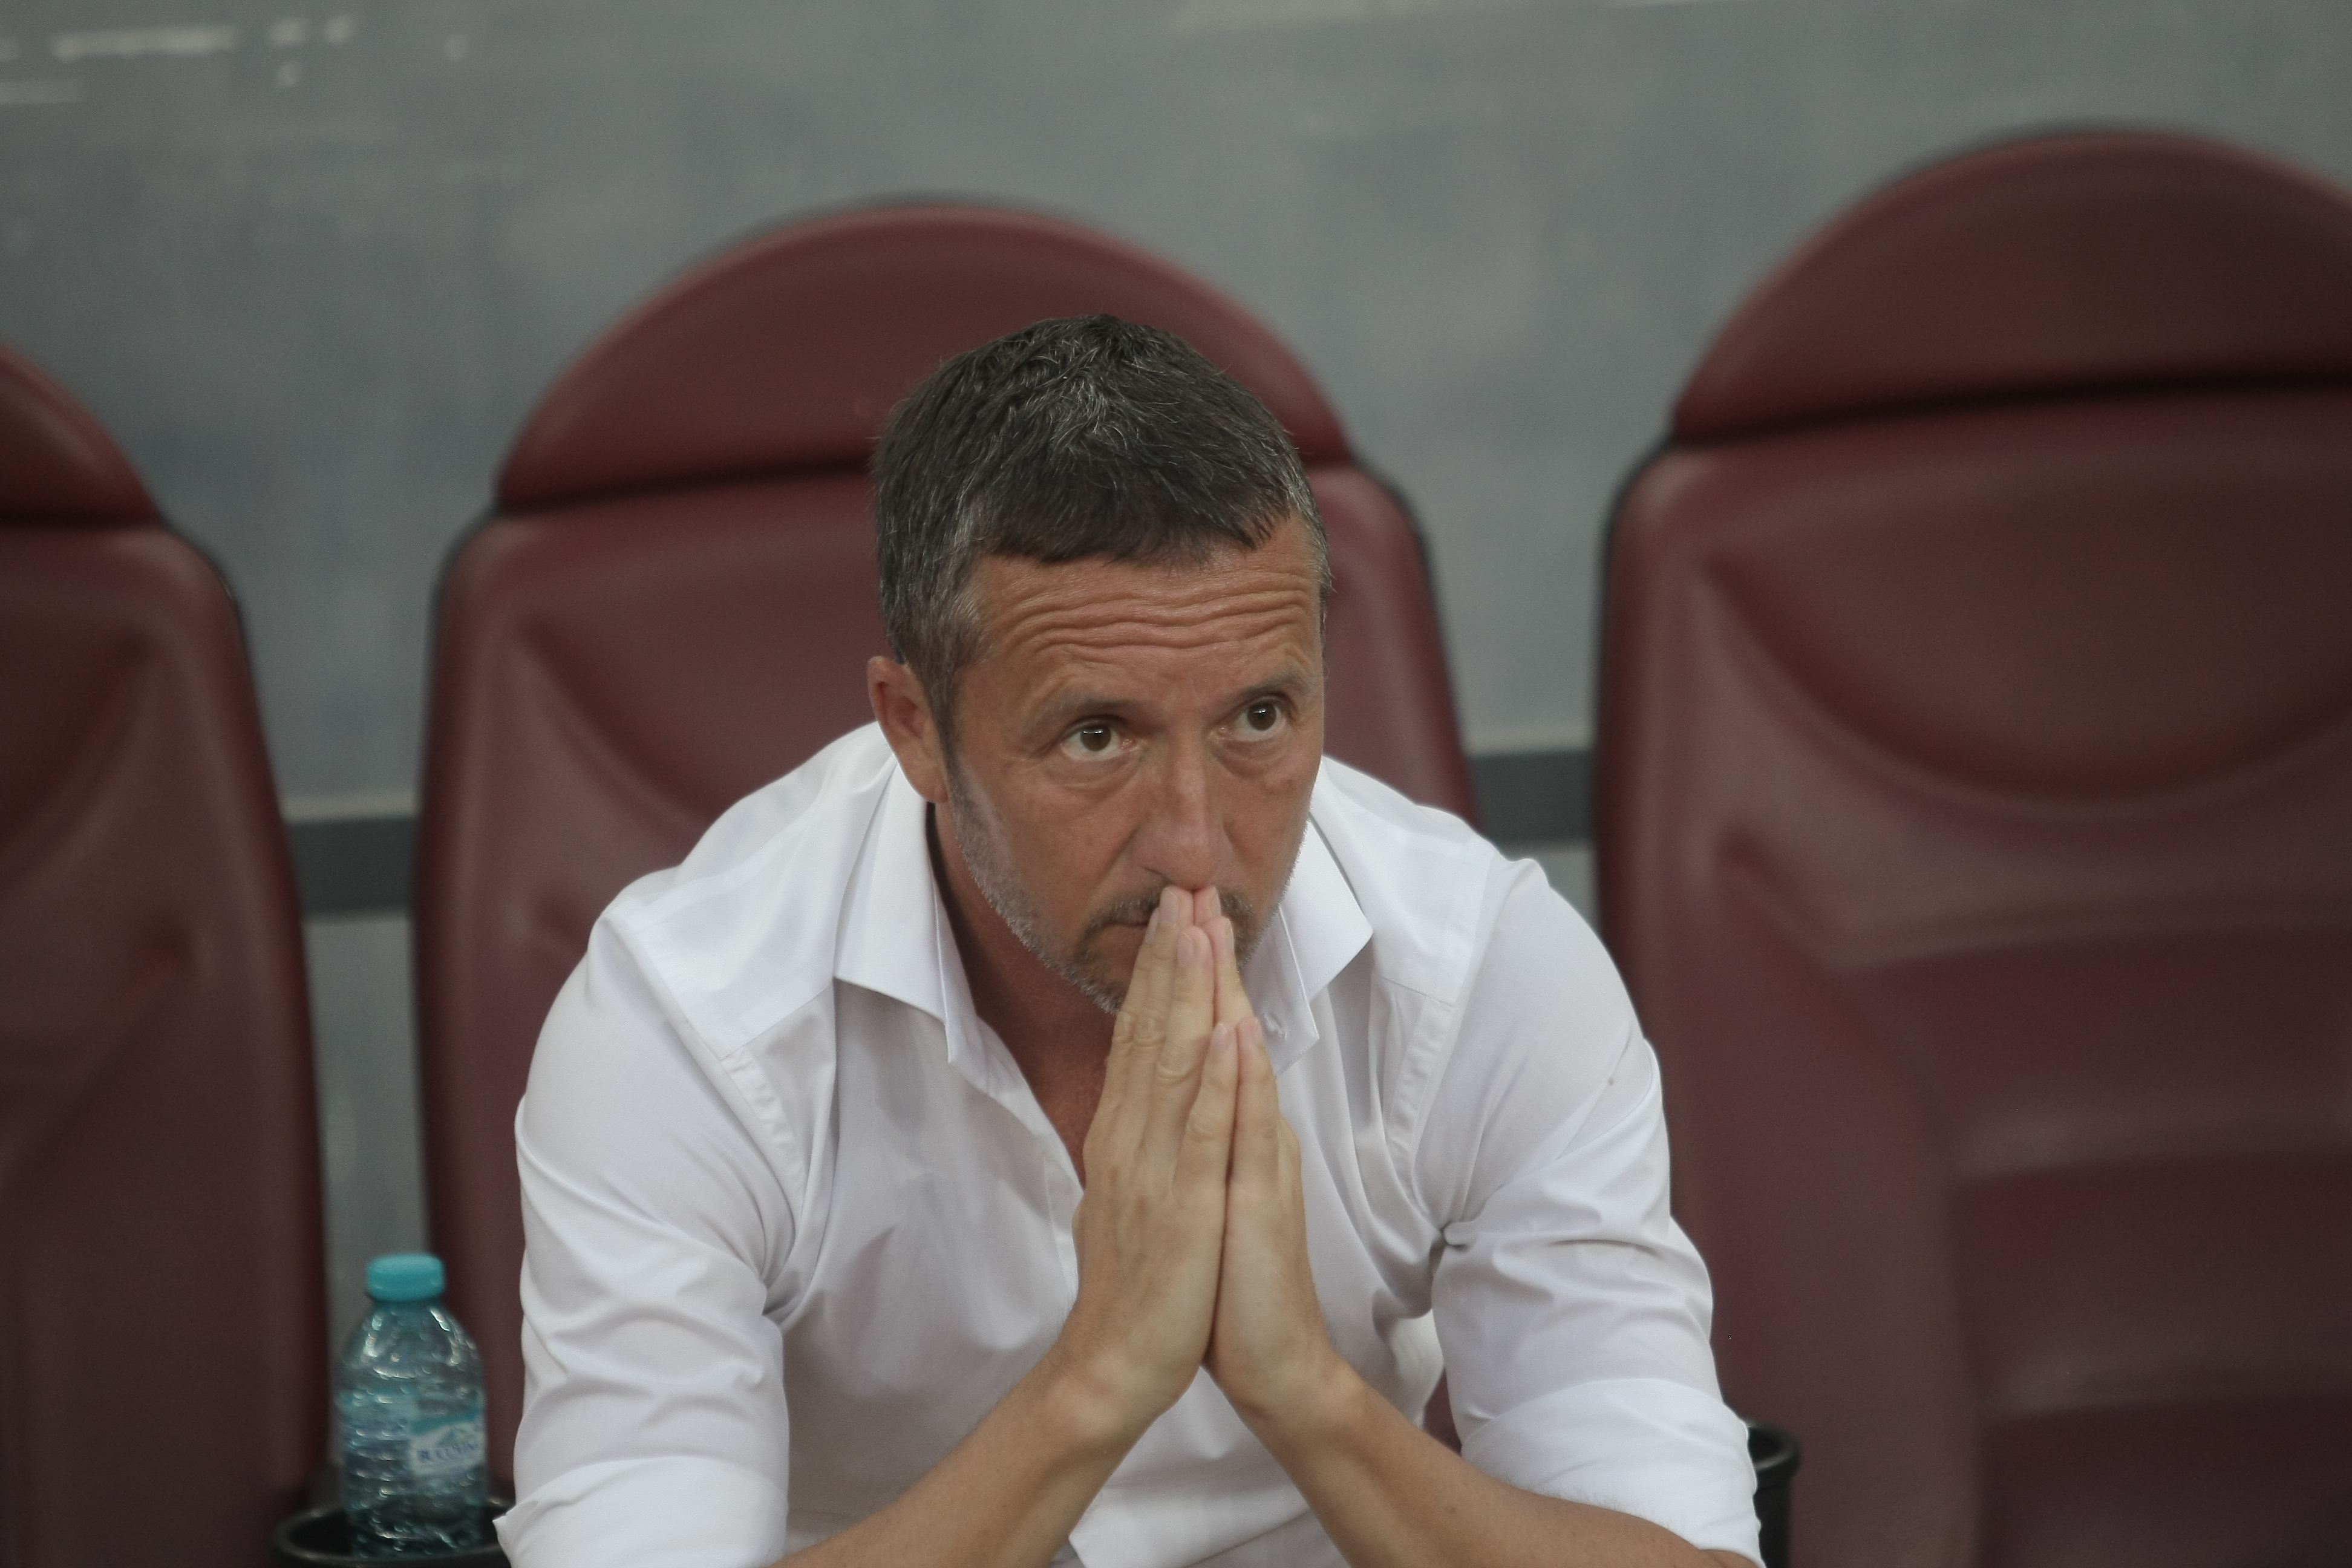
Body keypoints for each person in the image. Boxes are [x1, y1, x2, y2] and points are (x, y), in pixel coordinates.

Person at [497, 316, 1761, 1568]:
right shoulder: (687, 1026)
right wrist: (1096, 1383)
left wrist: (1310, 1396)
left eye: (1259, 718)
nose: (1196, 848)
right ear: (915, 727)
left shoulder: (1480, 972)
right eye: (1096, 737)